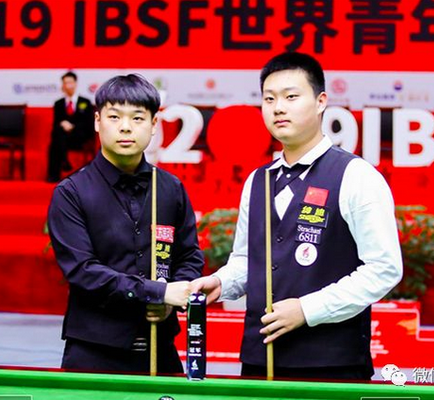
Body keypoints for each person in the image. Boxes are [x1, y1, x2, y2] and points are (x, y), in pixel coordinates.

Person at [191, 52, 402, 380]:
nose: (278, 108)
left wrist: (307, 309)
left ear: (320, 102)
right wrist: (221, 282)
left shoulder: (356, 175)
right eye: (269, 98)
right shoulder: (258, 180)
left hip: (332, 367)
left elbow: (384, 268)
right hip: (260, 362)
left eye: (291, 97)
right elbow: (248, 260)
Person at [47, 74, 203, 374]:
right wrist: (156, 292)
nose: (126, 127)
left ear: (154, 124)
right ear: (97, 121)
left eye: (138, 118)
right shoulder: (71, 192)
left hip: (160, 347)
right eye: (115, 116)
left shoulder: (170, 188)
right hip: (93, 350)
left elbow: (189, 256)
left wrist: (172, 296)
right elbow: (82, 271)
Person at [46, 71, 95, 182]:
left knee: (57, 140)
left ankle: (62, 162)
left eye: (70, 82)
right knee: (57, 133)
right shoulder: (58, 103)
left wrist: (72, 126)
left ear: (75, 84)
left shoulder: (85, 102)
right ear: (62, 86)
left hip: (79, 136)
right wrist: (62, 124)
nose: (68, 85)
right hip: (64, 137)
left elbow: (88, 124)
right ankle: (57, 170)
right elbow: (55, 124)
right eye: (65, 83)